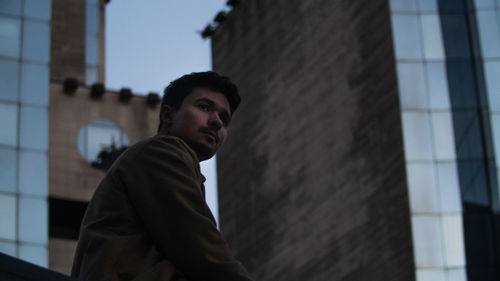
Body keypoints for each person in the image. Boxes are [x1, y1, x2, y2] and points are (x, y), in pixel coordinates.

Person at [71, 71, 254, 281]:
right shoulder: (162, 151)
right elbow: (200, 246)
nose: (217, 122)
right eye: (204, 107)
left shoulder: (175, 163)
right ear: (168, 115)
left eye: (224, 118)